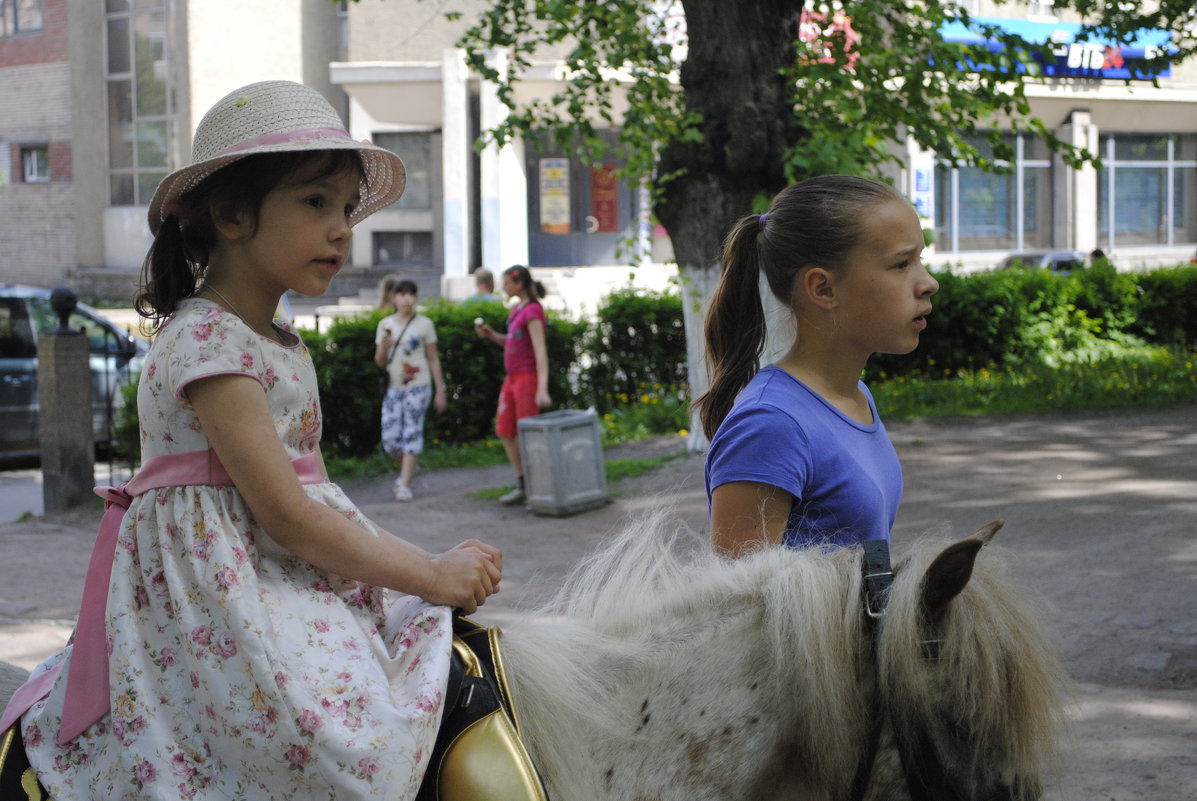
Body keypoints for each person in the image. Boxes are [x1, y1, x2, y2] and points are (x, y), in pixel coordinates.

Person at [0, 80, 501, 801]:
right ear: (233, 214)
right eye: (315, 202)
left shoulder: (277, 341)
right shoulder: (208, 342)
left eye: (344, 207)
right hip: (225, 598)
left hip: (277, 576)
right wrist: (429, 571)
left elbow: (317, 497)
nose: (341, 229)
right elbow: (289, 513)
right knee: (335, 740)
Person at [697, 175, 939, 558]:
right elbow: (737, 611)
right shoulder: (770, 423)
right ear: (823, 289)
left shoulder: (855, 396)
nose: (928, 283)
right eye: (901, 264)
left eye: (920, 259)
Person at [474, 265, 551, 505]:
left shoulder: (533, 311)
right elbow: (513, 341)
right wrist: (491, 335)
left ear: (518, 284)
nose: (504, 288)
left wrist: (542, 388)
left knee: (527, 434)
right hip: (512, 377)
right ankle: (523, 482)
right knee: (505, 430)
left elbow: (540, 350)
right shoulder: (517, 309)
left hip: (528, 378)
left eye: (507, 284)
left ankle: (538, 486)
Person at [374, 277, 447, 501]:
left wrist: (441, 390)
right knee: (391, 439)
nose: (407, 299)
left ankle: (404, 484)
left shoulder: (424, 324)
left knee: (412, 432)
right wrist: (384, 347)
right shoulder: (385, 325)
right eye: (402, 294)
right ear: (394, 297)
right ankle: (410, 467)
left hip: (419, 386)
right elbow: (379, 362)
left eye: (411, 294)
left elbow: (433, 359)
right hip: (394, 388)